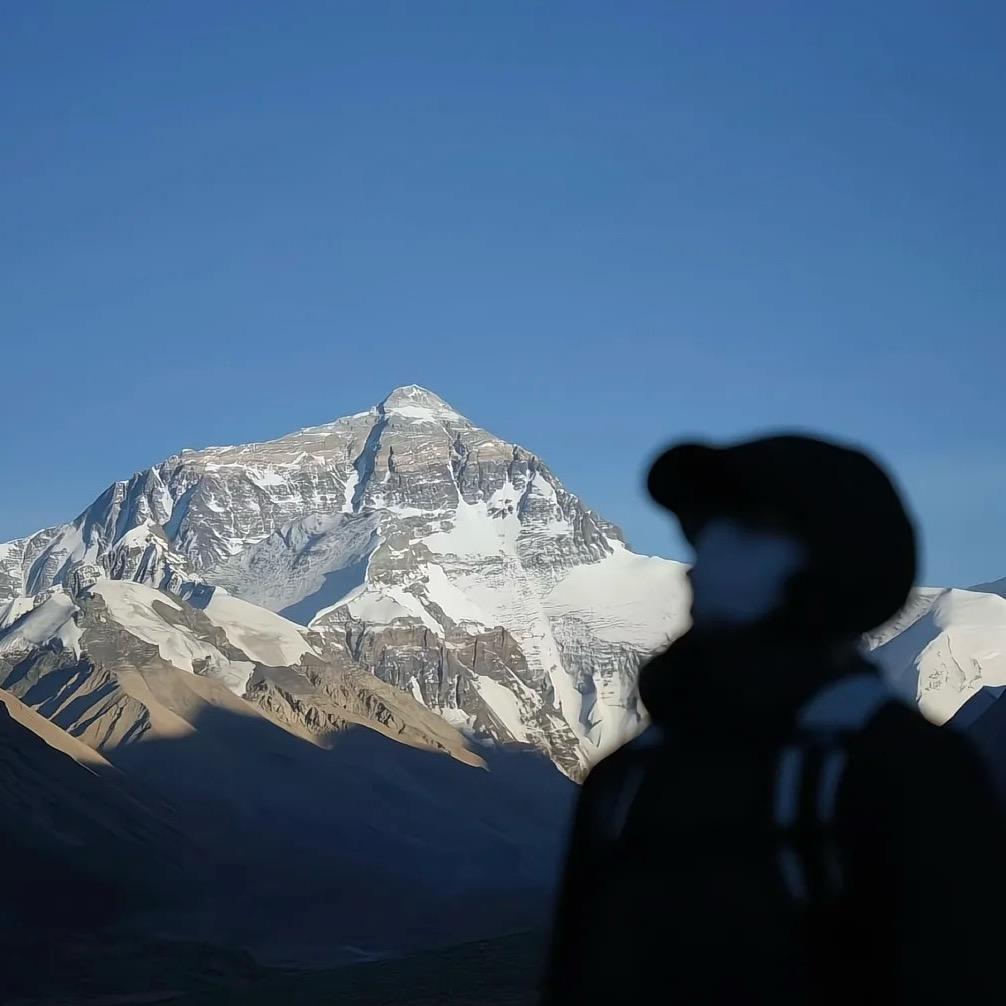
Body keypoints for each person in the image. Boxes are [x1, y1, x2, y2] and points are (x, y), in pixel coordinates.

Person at [540, 434, 1006, 1005]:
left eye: (748, 531)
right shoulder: (627, 776)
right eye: (706, 532)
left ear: (833, 561)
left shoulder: (901, 772)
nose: (706, 557)